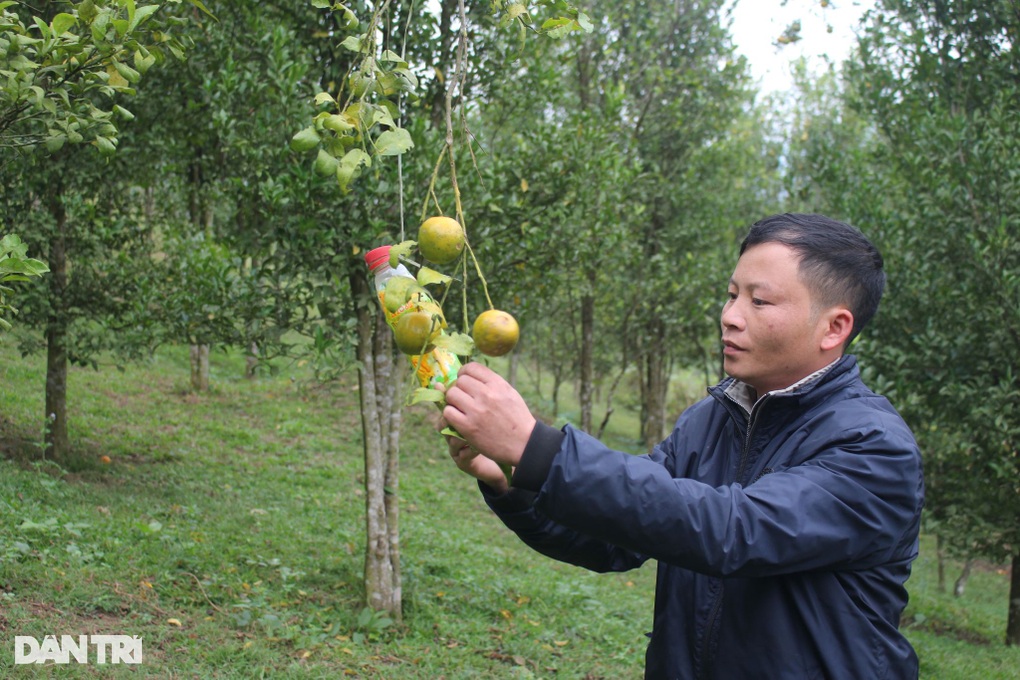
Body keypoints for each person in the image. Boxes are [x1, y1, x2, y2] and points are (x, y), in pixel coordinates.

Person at [440, 213, 924, 679]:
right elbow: (615, 536)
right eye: (732, 294)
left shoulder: (874, 449)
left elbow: (732, 531)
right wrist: (513, 479)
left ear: (834, 328)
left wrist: (538, 449)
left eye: (760, 302)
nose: (730, 317)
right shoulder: (712, 420)